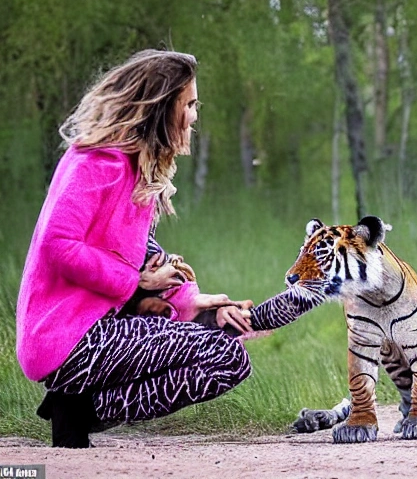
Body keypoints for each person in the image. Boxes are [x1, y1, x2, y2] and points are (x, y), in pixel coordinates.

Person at [16, 50, 255, 448]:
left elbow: (144, 251)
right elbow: (58, 245)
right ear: (164, 109)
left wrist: (192, 303)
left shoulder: (133, 167)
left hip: (102, 329)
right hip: (68, 338)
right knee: (224, 356)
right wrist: (133, 282)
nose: (196, 115)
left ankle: (75, 407)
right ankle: (78, 408)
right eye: (190, 104)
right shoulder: (97, 161)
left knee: (226, 351)